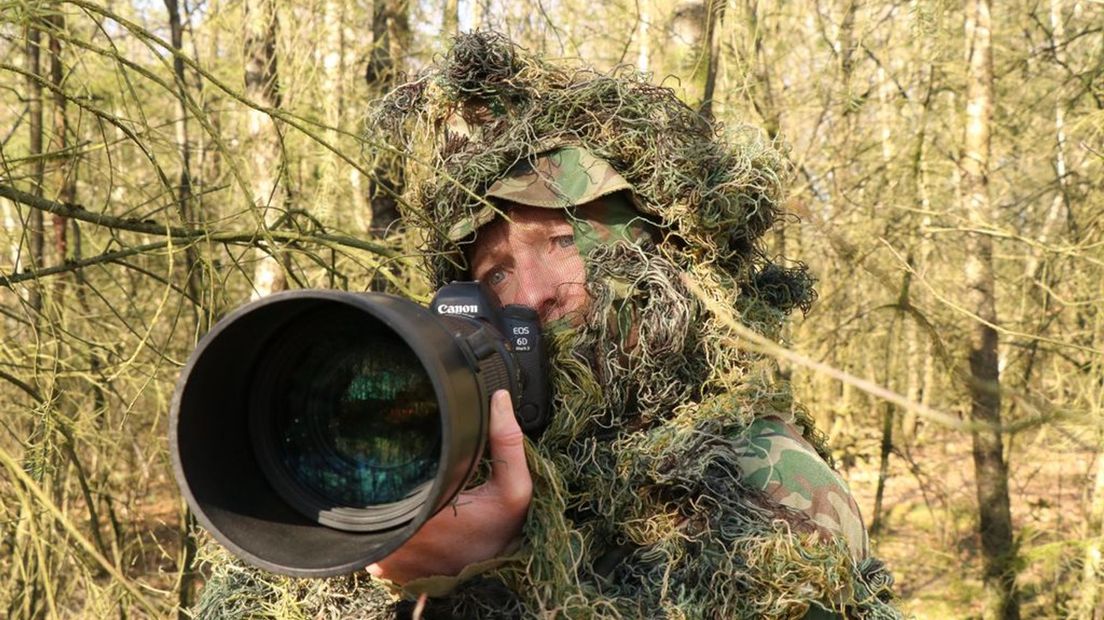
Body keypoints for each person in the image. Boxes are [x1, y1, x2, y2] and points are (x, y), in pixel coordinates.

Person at [361, 31, 899, 618]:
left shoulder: (760, 475)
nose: (535, 295)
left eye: (564, 241)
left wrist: (478, 571)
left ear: (662, 259)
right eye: (496, 274)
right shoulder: (472, 458)